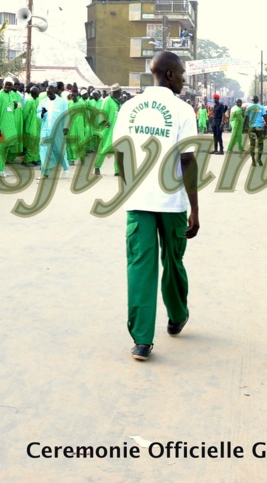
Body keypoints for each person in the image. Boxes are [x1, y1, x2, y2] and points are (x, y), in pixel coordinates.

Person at [114, 51, 199, 361]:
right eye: (183, 75)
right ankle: (177, 315)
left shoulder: (128, 107)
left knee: (140, 265)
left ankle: (141, 340)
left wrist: (128, 189)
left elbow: (120, 153)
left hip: (138, 202)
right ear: (170, 75)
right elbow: (187, 159)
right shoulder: (182, 110)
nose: (185, 80)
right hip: (173, 201)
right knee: (173, 261)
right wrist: (196, 209)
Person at [39, 83, 69, 179]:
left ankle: (66, 168)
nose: (49, 95)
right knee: (44, 150)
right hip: (45, 129)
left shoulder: (62, 102)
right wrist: (42, 114)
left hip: (58, 130)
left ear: (55, 91)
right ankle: (45, 173)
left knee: (59, 150)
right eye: (48, 93)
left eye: (51, 93)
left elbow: (66, 115)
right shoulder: (43, 102)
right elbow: (38, 114)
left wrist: (66, 127)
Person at [93, 83, 121, 175]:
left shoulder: (117, 102)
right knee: (103, 149)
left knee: (118, 149)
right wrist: (105, 122)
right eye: (119, 91)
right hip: (108, 130)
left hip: (116, 129)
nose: (120, 93)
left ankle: (117, 171)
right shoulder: (107, 101)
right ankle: (97, 167)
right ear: (116, 92)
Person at [246, 95, 266, 166]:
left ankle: (253, 161)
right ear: (258, 100)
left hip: (252, 128)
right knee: (260, 143)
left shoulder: (249, 107)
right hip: (259, 127)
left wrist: (244, 128)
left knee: (252, 144)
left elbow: (246, 118)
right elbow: (265, 117)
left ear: (252, 100)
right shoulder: (261, 107)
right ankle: (259, 159)